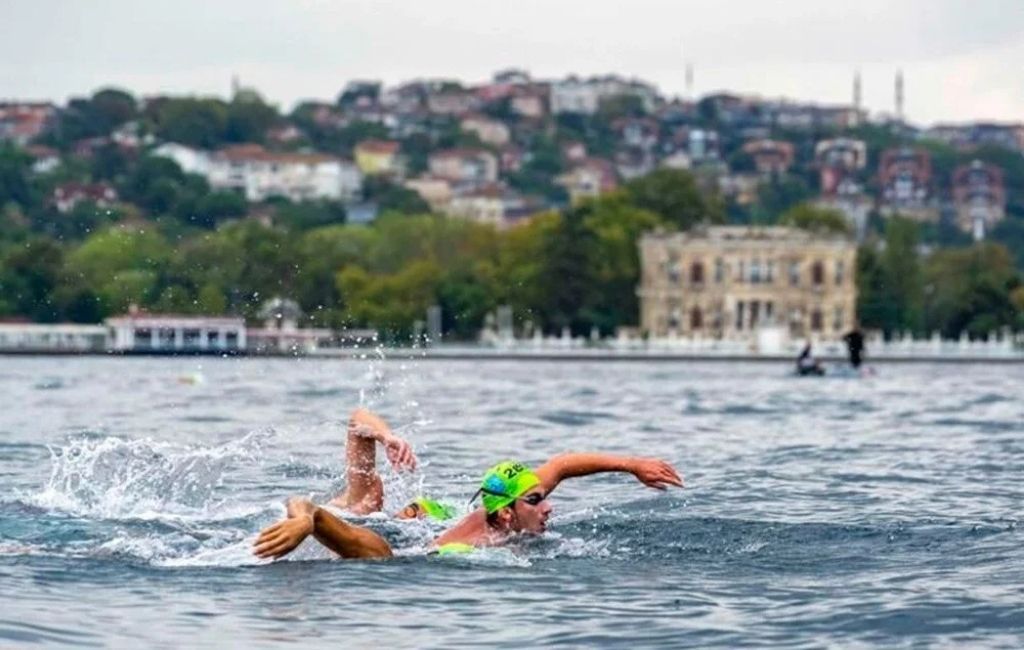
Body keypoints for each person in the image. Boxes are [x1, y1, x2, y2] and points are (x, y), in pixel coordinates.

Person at [253, 415, 684, 560]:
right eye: (536, 500)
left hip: (425, 521)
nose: (549, 507)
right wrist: (306, 518)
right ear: (506, 513)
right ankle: (305, 522)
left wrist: (633, 465)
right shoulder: (460, 549)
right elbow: (356, 421)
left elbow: (562, 464)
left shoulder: (502, 508)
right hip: (405, 552)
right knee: (370, 533)